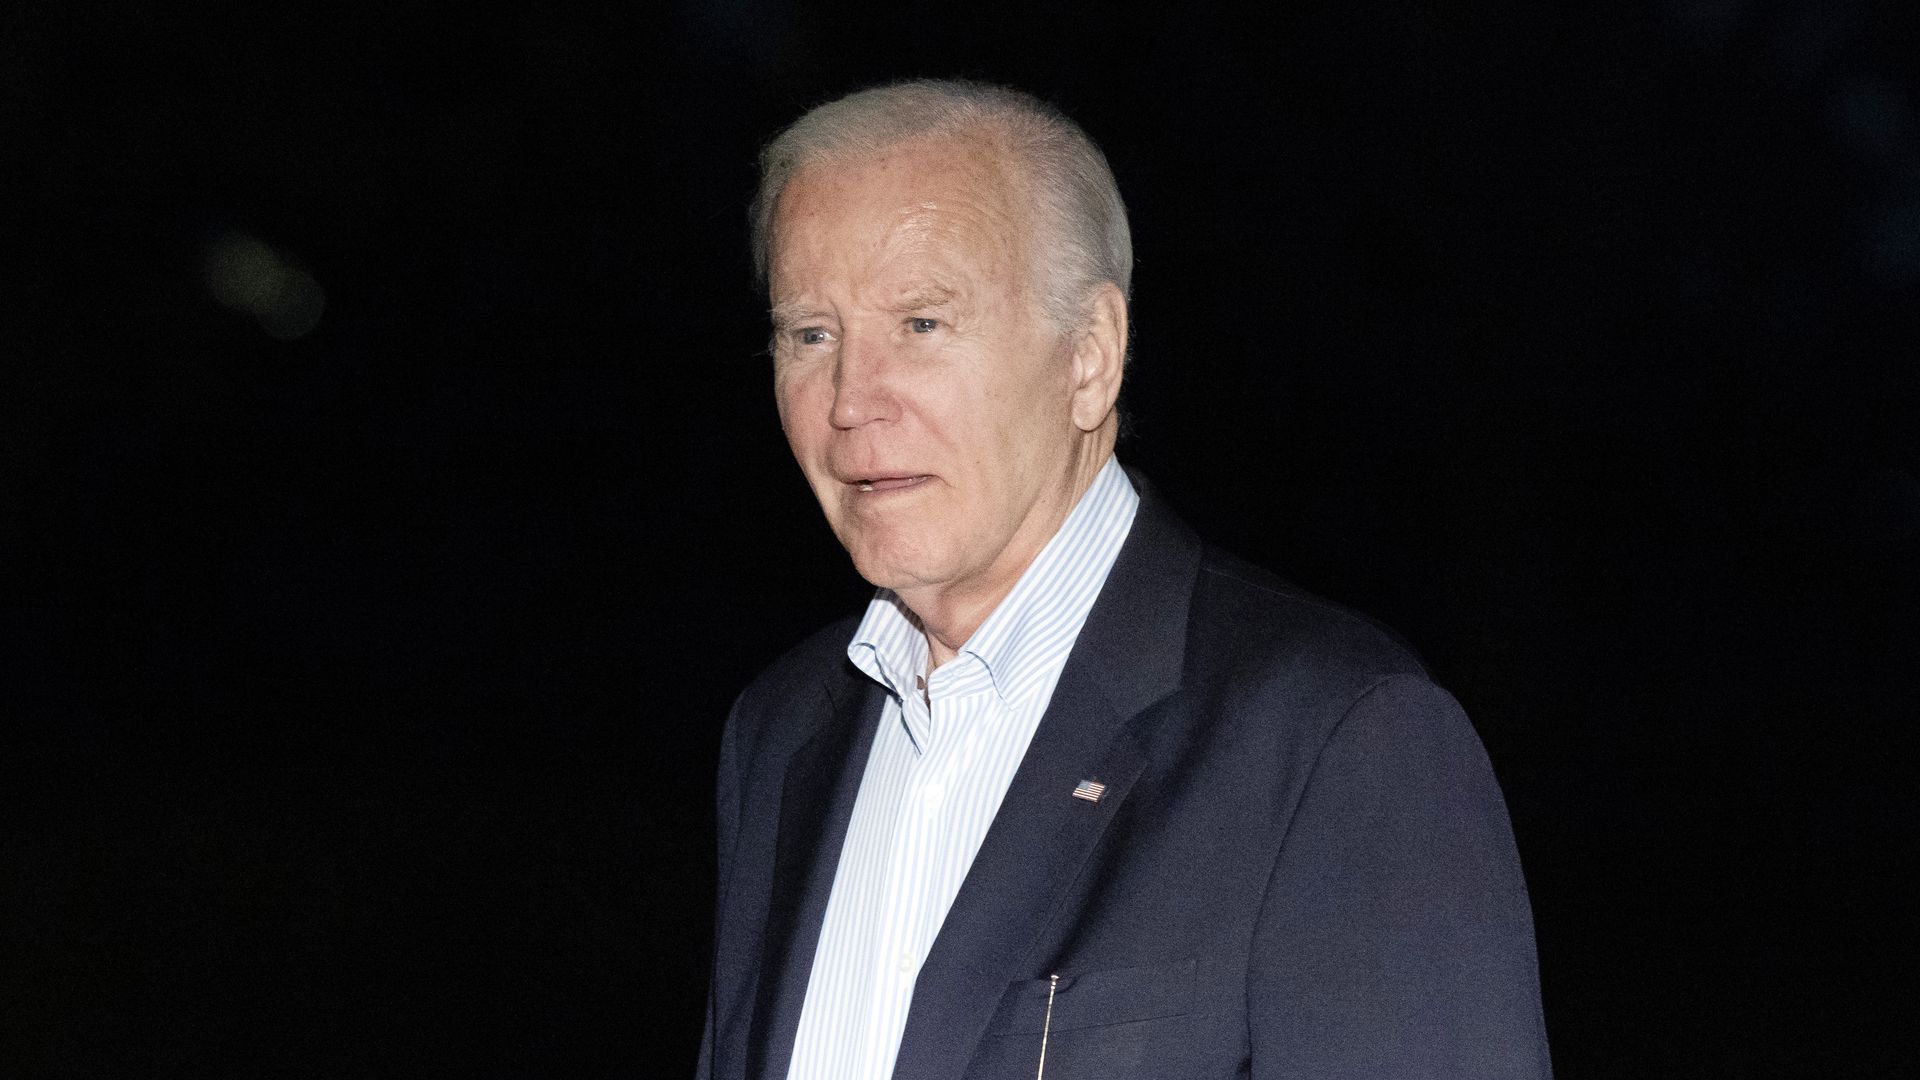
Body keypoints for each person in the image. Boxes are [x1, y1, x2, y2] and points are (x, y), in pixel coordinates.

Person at [699, 79, 1550, 1080]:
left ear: (1091, 359)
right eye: (811, 334)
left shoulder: (1333, 742)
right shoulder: (784, 733)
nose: (850, 401)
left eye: (921, 324)